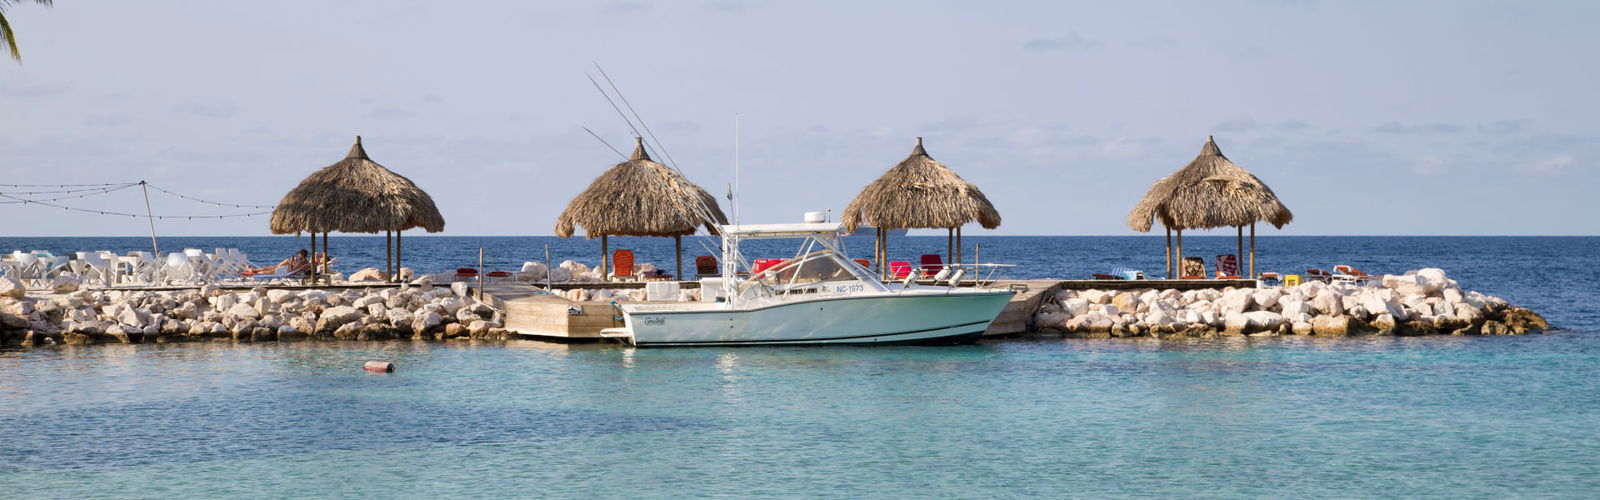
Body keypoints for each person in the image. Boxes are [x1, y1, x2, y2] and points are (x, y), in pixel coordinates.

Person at [243, 250, 309, 276]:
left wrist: (291, 261)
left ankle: (253, 272)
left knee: (268, 271)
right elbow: (295, 268)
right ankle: (253, 270)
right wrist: (292, 261)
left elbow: (291, 270)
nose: (298, 255)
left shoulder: (301, 262)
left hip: (286, 271)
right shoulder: (305, 261)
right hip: (285, 269)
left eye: (299, 254)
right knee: (269, 268)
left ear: (302, 255)